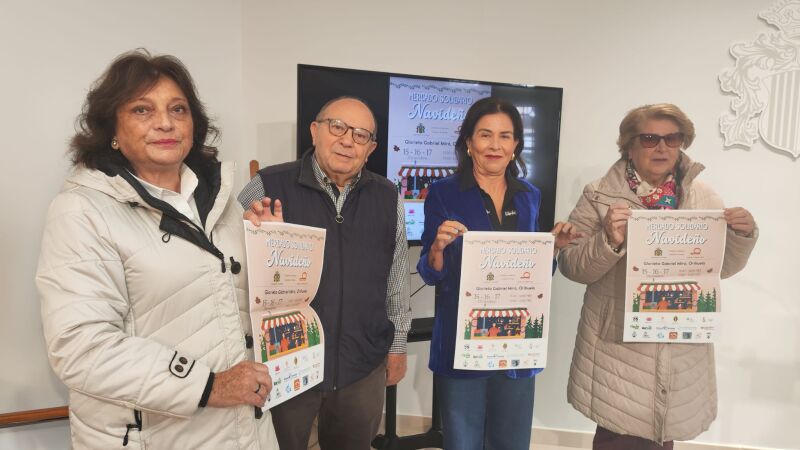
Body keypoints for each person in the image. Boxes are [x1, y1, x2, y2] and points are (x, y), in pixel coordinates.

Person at [35, 50, 277, 449]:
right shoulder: (80, 211)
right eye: (142, 110)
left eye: (178, 109)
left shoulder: (221, 200)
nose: (165, 122)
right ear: (112, 129)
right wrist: (209, 386)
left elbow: (234, 300)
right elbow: (80, 347)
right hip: (155, 437)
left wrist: (267, 246)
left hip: (244, 429)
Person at [558, 103, 758, 448]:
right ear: (629, 145)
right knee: (618, 437)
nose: (662, 147)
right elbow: (572, 265)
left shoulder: (703, 196)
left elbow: (720, 268)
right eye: (650, 139)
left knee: (663, 436)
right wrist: (609, 241)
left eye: (672, 138)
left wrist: (743, 235)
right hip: (619, 346)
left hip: (680, 343)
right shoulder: (599, 194)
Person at [239, 96, 411, 449]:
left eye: (360, 135)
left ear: (370, 149)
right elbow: (230, 270)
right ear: (315, 131)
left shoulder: (387, 195)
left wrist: (397, 346)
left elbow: (397, 276)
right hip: (284, 363)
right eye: (337, 127)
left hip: (362, 364)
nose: (347, 141)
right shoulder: (267, 185)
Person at [416, 97, 580, 450]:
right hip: (462, 342)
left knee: (512, 442)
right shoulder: (443, 193)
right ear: (469, 142)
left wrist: (552, 249)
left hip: (516, 342)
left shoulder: (529, 196)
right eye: (485, 135)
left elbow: (534, 277)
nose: (495, 145)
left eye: (505, 136)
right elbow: (430, 273)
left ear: (516, 144)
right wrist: (438, 248)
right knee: (463, 442)